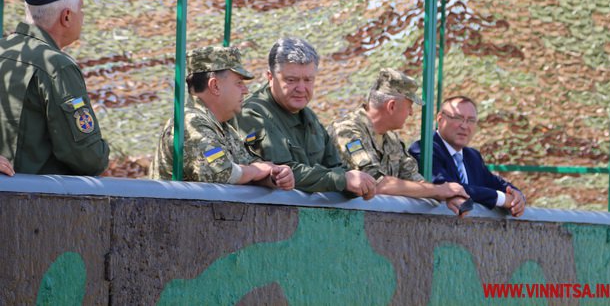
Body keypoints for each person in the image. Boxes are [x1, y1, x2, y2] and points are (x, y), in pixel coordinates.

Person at [0, 0, 109, 175]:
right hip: (31, 202)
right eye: (82, 10)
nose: (83, 17)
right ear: (66, 16)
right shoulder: (56, 66)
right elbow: (88, 158)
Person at [234, 37, 377, 199]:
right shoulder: (254, 114)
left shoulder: (309, 118)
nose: (301, 88)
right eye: (291, 80)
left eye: (308, 80)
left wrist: (355, 185)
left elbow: (336, 167)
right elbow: (282, 172)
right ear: (270, 77)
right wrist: (341, 180)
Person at [150, 45, 294, 190]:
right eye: (239, 83)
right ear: (215, 86)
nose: (245, 90)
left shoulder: (224, 128)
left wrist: (275, 176)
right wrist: (257, 171)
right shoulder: (190, 123)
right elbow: (221, 173)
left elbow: (249, 166)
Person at [328, 68, 468, 207]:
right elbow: (377, 183)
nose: (411, 113)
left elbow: (415, 180)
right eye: (410, 106)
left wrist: (448, 196)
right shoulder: (346, 131)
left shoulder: (392, 139)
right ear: (392, 106)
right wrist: (439, 190)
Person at [409, 96, 526, 217]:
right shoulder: (424, 150)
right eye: (458, 118)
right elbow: (448, 187)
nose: (464, 126)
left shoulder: (472, 156)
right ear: (440, 118)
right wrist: (500, 198)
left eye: (471, 120)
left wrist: (517, 196)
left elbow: (496, 183)